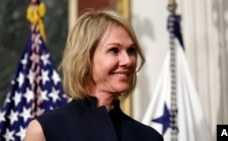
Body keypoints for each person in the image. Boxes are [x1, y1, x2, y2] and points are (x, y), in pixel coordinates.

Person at [24, 9, 163, 141]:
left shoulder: (149, 137)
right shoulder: (46, 130)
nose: (127, 61)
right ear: (85, 57)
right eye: (114, 50)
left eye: (131, 50)